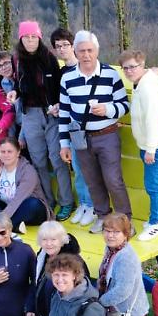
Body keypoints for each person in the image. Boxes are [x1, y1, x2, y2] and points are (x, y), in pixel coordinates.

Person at [57, 30, 130, 234]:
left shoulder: (110, 74)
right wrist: (64, 144)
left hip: (107, 135)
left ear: (96, 51)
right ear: (75, 51)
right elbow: (64, 113)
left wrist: (107, 110)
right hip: (80, 138)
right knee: (92, 180)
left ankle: (125, 220)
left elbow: (125, 105)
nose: (86, 55)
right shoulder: (67, 78)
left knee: (113, 180)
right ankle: (103, 217)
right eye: (81, 51)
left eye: (90, 50)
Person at [9, 22, 75, 222]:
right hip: (30, 115)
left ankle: (66, 201)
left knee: (57, 160)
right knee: (38, 161)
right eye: (26, 37)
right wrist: (15, 92)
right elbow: (19, 85)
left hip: (52, 114)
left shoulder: (49, 58)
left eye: (34, 37)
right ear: (21, 39)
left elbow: (57, 86)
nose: (30, 41)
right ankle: (47, 200)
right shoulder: (17, 60)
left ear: (39, 38)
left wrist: (57, 106)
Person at [119, 49, 158, 241]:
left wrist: (150, 149)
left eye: (133, 67)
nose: (128, 71)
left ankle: (155, 222)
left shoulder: (147, 88)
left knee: (152, 185)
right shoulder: (143, 81)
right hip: (157, 143)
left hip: (156, 146)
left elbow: (152, 120)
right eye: (125, 68)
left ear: (142, 65)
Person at [50, 28, 96, 227]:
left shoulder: (84, 68)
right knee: (78, 169)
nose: (62, 49)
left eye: (65, 45)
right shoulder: (63, 72)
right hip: (71, 128)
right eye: (58, 46)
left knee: (89, 171)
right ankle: (84, 204)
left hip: (91, 129)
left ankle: (93, 205)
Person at [0, 139, 51, 230]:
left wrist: (1, 220)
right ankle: (14, 225)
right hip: (6, 207)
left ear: (18, 153)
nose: (6, 155)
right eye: (3, 152)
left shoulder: (28, 171)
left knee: (33, 204)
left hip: (27, 210)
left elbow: (17, 201)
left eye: (10, 152)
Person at [26, 221, 89, 316]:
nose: (48, 244)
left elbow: (83, 293)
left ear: (61, 240)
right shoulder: (42, 255)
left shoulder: (75, 262)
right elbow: (35, 283)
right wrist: (31, 308)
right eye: (44, 239)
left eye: (53, 239)